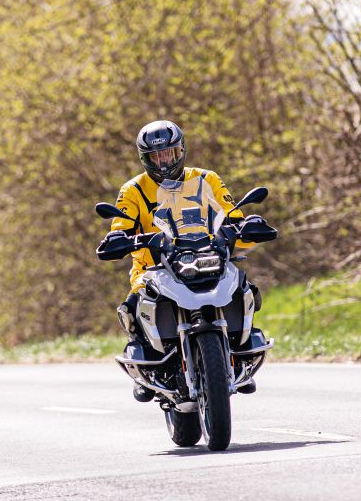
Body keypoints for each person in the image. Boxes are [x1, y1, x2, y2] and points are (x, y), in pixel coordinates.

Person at [97, 120, 269, 401]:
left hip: (206, 255)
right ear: (145, 159)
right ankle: (145, 368)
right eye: (157, 156)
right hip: (154, 266)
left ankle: (239, 355)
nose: (164, 161)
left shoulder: (206, 179)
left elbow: (230, 211)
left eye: (170, 153)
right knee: (131, 308)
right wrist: (119, 238)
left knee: (246, 289)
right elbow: (122, 223)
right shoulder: (133, 190)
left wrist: (246, 224)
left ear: (181, 151)